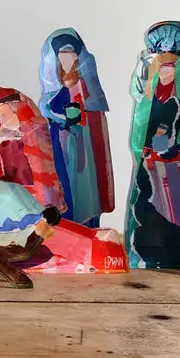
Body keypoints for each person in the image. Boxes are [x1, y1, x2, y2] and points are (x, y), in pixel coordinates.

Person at [125, 22, 180, 270]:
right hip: (150, 157)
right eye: (163, 68)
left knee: (172, 208)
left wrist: (175, 147)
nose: (167, 73)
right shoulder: (148, 95)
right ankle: (141, 252)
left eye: (171, 68)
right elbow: (142, 123)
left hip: (171, 160)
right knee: (146, 202)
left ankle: (170, 254)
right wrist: (149, 148)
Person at [38, 28, 114, 227]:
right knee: (66, 183)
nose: (68, 60)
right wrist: (63, 119)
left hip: (85, 144)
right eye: (62, 56)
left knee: (86, 185)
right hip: (61, 143)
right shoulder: (53, 91)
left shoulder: (87, 86)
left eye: (72, 55)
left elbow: (94, 112)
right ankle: (68, 224)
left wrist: (81, 120)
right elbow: (47, 109)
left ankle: (89, 225)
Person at [0, 86, 66, 211]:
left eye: (3, 114)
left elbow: (41, 168)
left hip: (31, 195)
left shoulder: (34, 131)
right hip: (9, 197)